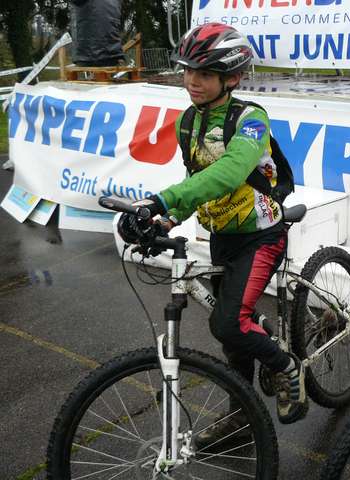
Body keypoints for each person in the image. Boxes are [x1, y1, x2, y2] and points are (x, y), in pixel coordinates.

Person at [117, 22, 308, 443]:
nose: (192, 81)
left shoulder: (251, 119)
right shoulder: (188, 121)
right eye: (187, 70)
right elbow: (197, 179)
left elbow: (229, 173)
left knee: (229, 324)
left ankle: (286, 366)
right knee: (234, 340)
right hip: (222, 236)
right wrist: (167, 218)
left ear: (232, 78)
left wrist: (161, 200)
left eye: (204, 73)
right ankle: (240, 417)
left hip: (261, 236)